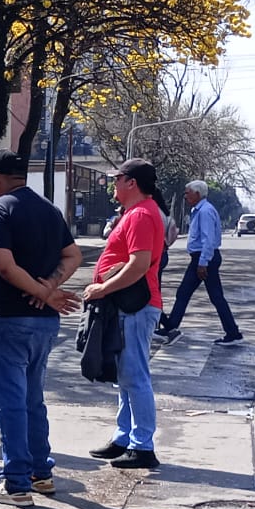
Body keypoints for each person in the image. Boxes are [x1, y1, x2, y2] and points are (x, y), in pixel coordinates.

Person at [0, 149, 82, 507]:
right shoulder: (48, 210)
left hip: (6, 319)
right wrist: (48, 288)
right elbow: (73, 255)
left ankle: (15, 482)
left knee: (8, 404)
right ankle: (40, 472)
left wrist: (42, 293)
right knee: (32, 400)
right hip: (41, 326)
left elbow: (4, 266)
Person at [84, 158, 167, 469]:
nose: (113, 185)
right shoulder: (136, 213)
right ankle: (125, 437)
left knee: (134, 375)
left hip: (136, 306)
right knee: (125, 376)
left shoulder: (142, 215)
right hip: (127, 306)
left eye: (117, 179)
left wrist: (102, 289)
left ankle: (143, 445)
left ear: (131, 182)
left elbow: (139, 264)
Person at [154, 180, 243, 347]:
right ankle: (172, 327)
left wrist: (203, 263)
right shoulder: (200, 210)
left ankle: (232, 332)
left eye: (188, 193)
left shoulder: (205, 211)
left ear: (197, 193)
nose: (185, 196)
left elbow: (208, 240)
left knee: (204, 295)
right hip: (202, 258)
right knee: (191, 294)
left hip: (204, 258)